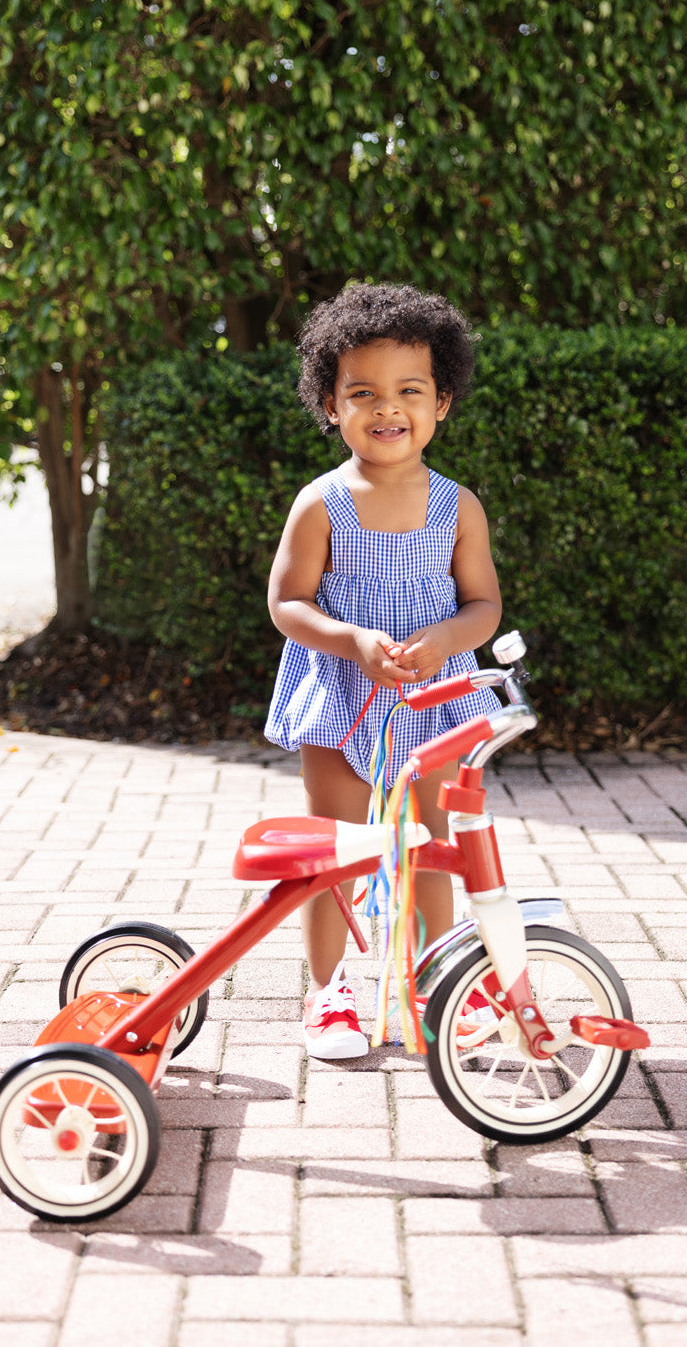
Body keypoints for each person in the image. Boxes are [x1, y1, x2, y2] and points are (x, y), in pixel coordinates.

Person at [265, 282, 503, 1058]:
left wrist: (445, 636)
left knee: (430, 843)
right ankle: (329, 991)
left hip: (432, 699)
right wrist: (352, 642)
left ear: (442, 403)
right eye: (362, 392)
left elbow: (483, 607)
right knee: (332, 848)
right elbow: (287, 603)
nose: (386, 408)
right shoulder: (321, 503)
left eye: (409, 391)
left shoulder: (457, 507)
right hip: (341, 695)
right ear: (330, 404)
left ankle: (433, 986)